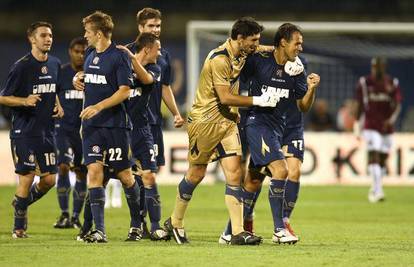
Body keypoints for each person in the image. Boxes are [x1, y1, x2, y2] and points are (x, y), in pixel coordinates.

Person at [163, 17, 280, 245]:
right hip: (205, 122)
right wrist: (259, 100)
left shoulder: (243, 51)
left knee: (235, 174)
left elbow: (263, 49)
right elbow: (225, 97)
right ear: (239, 38)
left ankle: (237, 232)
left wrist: (280, 49)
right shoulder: (219, 59)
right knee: (197, 174)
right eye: (253, 40)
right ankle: (175, 222)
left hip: (227, 122)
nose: (256, 44)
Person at [220, 23, 320, 245]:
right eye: (298, 43)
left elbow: (303, 106)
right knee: (281, 169)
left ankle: (229, 232)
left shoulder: (296, 68)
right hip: (257, 123)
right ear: (283, 42)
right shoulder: (258, 61)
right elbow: (235, 74)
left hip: (278, 126)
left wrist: (311, 88)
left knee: (254, 181)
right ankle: (279, 229)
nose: (301, 48)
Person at [73, 11, 142, 243]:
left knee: (125, 176)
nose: (85, 36)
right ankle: (99, 231)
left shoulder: (119, 56)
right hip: (92, 127)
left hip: (115, 127)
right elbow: (92, 82)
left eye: (88, 32)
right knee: (94, 172)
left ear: (99, 33)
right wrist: (78, 78)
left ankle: (136, 225)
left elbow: (124, 90)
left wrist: (99, 106)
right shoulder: (90, 54)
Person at [0, 21, 63, 238]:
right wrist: (24, 101)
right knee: (26, 178)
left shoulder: (55, 63)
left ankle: (20, 202)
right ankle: (19, 228)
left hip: (47, 132)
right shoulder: (22, 66)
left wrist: (58, 105)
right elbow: (4, 97)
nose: (48, 39)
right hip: (24, 132)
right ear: (32, 39)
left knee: (49, 181)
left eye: (50, 35)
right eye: (43, 35)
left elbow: (53, 88)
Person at [131, 7, 185, 238]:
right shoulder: (126, 53)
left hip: (153, 122)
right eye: (151, 26)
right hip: (130, 124)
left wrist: (175, 113)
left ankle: (144, 223)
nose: (156, 30)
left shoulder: (163, 55)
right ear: (141, 28)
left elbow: (165, 88)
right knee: (136, 174)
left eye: (158, 26)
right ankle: (141, 223)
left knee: (150, 173)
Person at [117, 32, 170, 240]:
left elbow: (146, 80)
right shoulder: (120, 67)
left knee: (148, 175)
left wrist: (131, 58)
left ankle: (156, 226)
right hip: (119, 129)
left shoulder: (154, 68)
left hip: (141, 129)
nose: (160, 52)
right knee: (121, 179)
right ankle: (135, 225)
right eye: (157, 48)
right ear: (147, 49)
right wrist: (79, 77)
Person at [354, 57, 402, 203]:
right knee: (374, 153)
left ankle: (374, 187)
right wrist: (357, 124)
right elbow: (360, 105)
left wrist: (391, 120)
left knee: (382, 159)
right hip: (370, 125)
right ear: (372, 67)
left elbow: (398, 104)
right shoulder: (364, 83)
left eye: (379, 66)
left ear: (384, 67)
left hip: (387, 127)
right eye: (375, 66)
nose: (377, 69)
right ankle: (378, 190)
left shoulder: (392, 83)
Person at [53, 37, 88, 229]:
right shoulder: (62, 73)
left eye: (84, 52)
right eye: (77, 51)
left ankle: (75, 216)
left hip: (83, 131)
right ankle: (64, 214)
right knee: (64, 167)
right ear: (70, 52)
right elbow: (52, 95)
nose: (81, 55)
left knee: (81, 172)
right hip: (62, 129)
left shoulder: (92, 74)